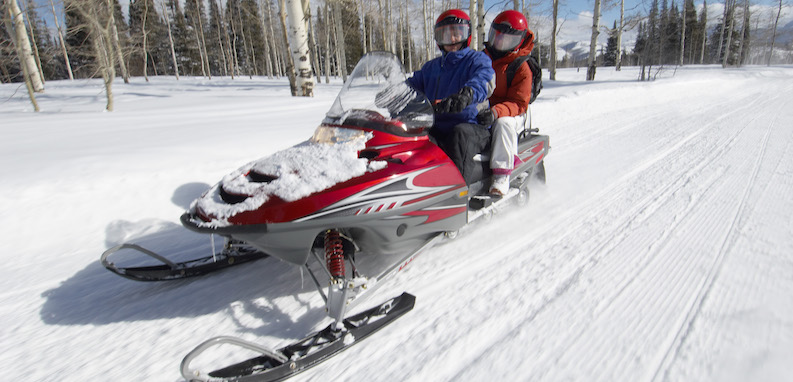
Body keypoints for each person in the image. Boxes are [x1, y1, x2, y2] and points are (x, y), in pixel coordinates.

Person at [405, 9, 495, 185]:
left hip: (472, 125)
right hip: (437, 124)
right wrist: (394, 93)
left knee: (459, 135)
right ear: (439, 39)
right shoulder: (431, 68)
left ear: (467, 34)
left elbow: (485, 79)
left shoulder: (476, 60)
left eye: (457, 33)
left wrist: (467, 95)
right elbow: (411, 85)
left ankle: (456, 197)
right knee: (413, 138)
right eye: (446, 35)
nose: (452, 40)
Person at [477, 10, 535, 196]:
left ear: (518, 40)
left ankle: (501, 175)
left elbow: (519, 103)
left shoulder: (521, 67)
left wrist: (496, 112)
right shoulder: (482, 58)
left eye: (506, 39)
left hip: (512, 112)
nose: (499, 42)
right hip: (484, 107)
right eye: (497, 36)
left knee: (503, 124)